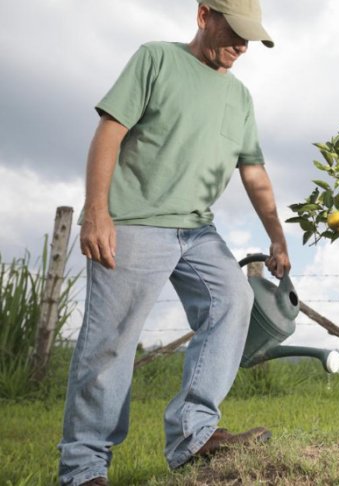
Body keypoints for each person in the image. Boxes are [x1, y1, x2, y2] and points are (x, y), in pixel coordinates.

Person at [57, 1, 289, 484]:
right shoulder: (156, 59)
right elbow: (109, 133)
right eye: (234, 32)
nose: (242, 46)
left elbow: (254, 171)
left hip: (197, 230)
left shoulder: (240, 97)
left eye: (250, 38)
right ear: (205, 16)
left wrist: (277, 236)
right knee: (110, 345)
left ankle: (194, 435)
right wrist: (98, 211)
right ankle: (83, 470)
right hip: (133, 220)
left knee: (233, 300)